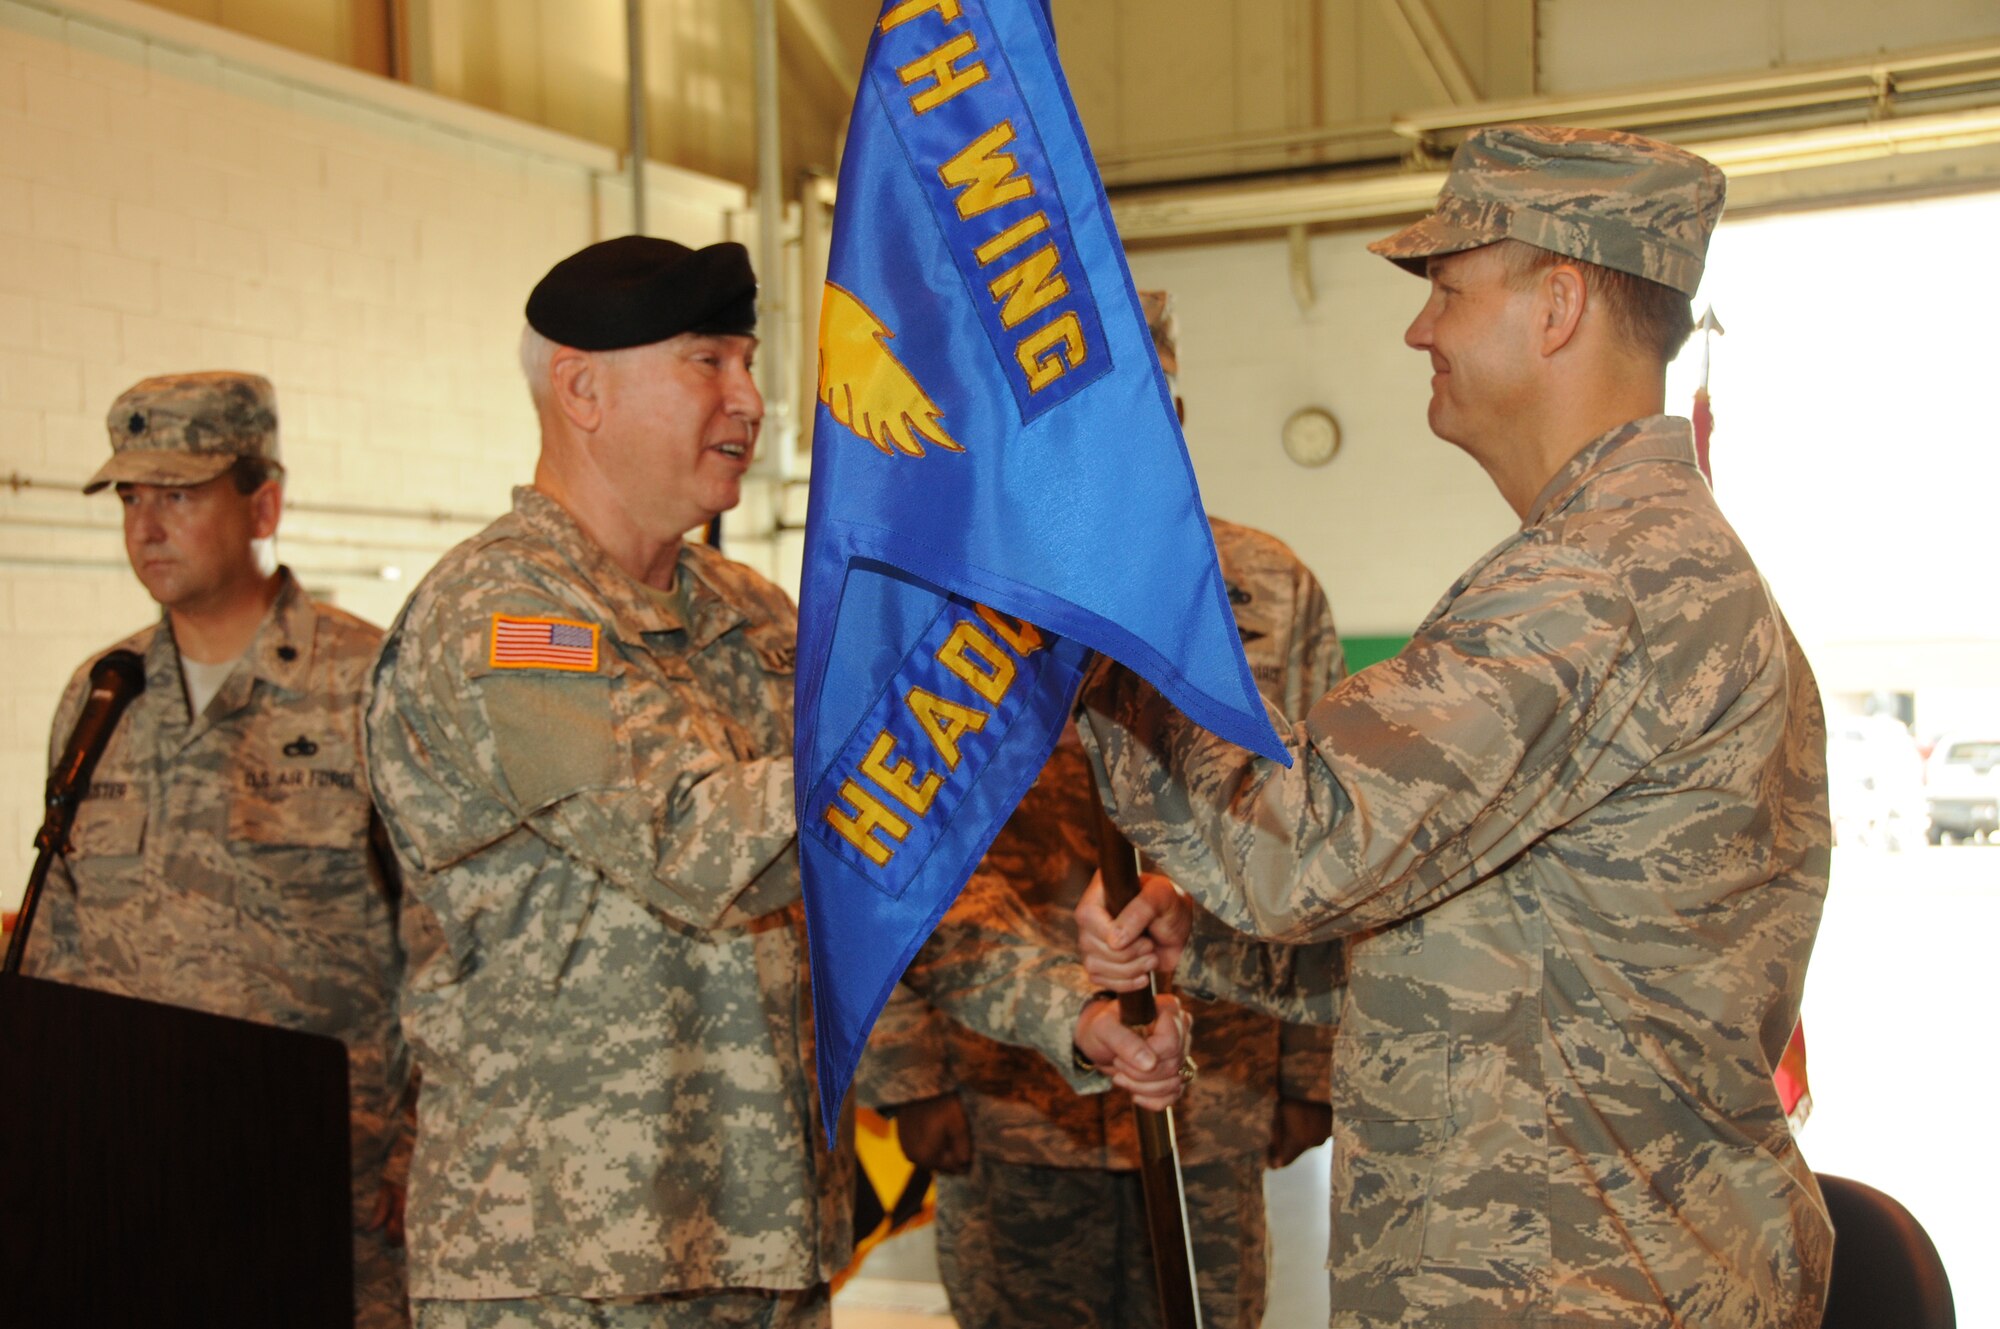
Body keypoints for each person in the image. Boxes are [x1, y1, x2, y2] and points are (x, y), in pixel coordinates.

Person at [1073, 126, 1833, 1328]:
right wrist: (1196, 943)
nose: (1418, 330)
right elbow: (1494, 973)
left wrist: (1090, 639)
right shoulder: (1627, 565)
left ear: (1558, 304)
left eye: (1444, 288)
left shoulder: (1596, 584)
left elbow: (1293, 845)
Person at [363, 235, 1188, 1329]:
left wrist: (1074, 1011)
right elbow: (693, 848)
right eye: (707, 362)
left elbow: (881, 873)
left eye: (747, 363)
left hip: (766, 1239)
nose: (749, 402)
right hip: (567, 1267)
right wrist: (974, 652)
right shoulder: (508, 622)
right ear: (581, 388)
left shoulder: (752, 615)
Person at [859, 291, 1344, 1329]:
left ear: (1170, 410)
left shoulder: (1262, 585)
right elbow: (895, 849)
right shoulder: (951, 600)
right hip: (1011, 1090)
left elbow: (1315, 828)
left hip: (1214, 1075)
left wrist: (1313, 1071)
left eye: (1138, 408)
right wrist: (908, 1072)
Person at [21, 371, 415, 1328]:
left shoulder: (371, 683)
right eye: (130, 496)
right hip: (135, 1190)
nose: (146, 525)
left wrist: (422, 1139)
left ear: (263, 502)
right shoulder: (103, 694)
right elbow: (57, 937)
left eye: (181, 493)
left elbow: (449, 930)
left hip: (335, 1190)